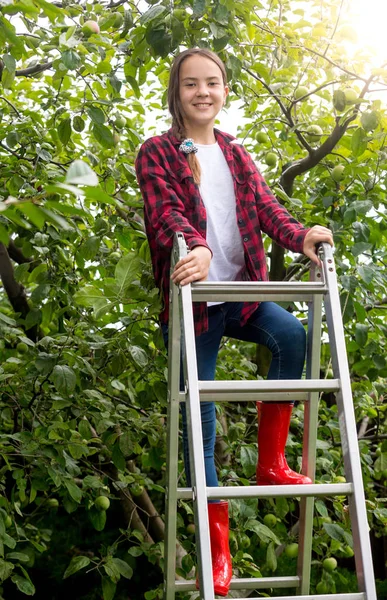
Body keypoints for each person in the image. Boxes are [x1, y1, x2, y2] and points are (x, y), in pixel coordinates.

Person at [135, 47, 333, 597]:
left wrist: (302, 236)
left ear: (225, 91)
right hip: (196, 305)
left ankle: (271, 461)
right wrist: (192, 248)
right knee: (201, 429)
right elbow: (165, 213)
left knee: (292, 335)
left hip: (240, 294)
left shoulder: (235, 153)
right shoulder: (158, 152)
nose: (203, 91)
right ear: (177, 93)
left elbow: (267, 210)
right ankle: (215, 559)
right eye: (191, 84)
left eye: (213, 83)